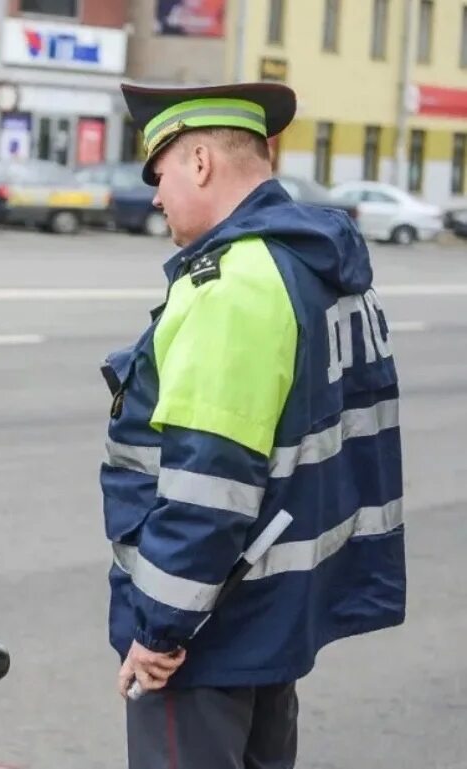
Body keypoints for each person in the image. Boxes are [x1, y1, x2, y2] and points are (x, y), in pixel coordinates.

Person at [100, 81, 405, 769]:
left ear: (201, 162)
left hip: (206, 634)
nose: (155, 195)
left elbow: (210, 485)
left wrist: (157, 631)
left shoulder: (234, 287)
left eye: (162, 172)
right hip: (273, 614)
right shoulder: (319, 264)